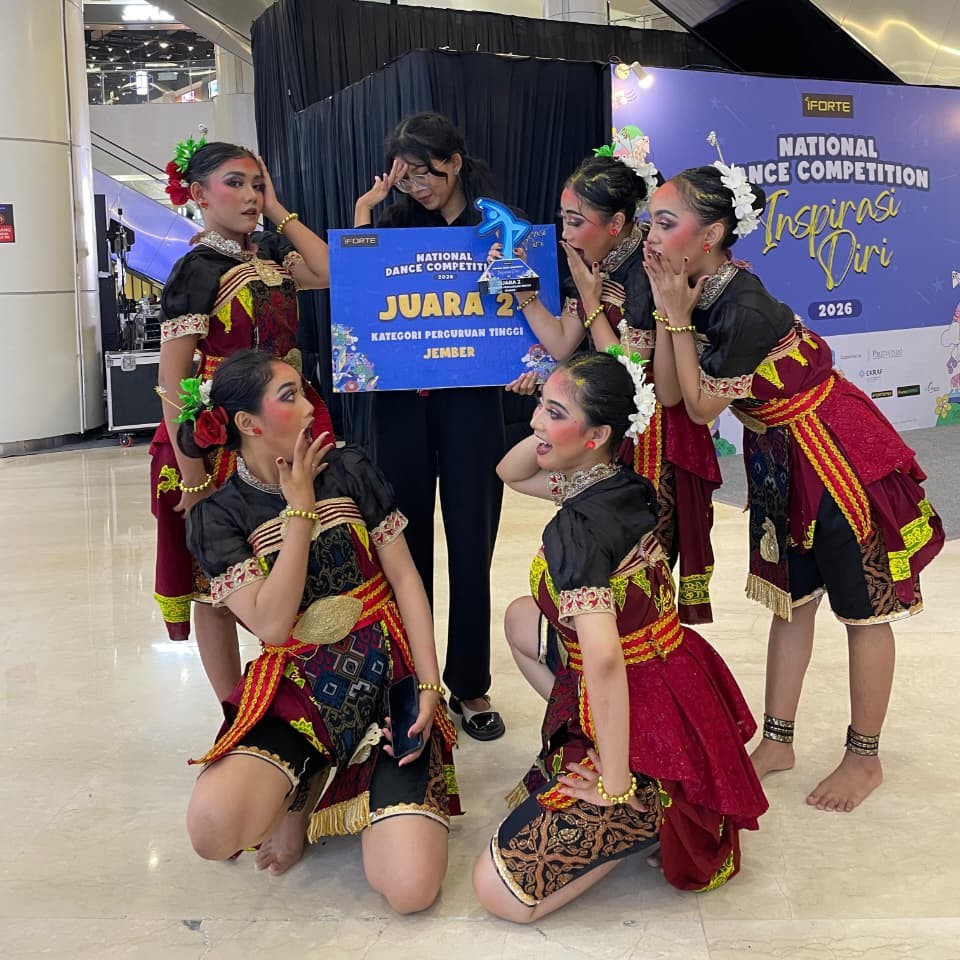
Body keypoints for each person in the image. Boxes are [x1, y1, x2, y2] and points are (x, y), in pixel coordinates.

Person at [643, 162, 945, 812]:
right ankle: (777, 741)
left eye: (665, 222)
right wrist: (671, 313)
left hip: (833, 457)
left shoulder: (744, 307)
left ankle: (864, 758)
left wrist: (676, 316)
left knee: (865, 610)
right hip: (779, 457)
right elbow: (668, 392)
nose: (651, 235)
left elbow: (698, 407)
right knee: (791, 600)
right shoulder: (689, 288)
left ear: (711, 234)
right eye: (650, 221)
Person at [473, 351, 767, 922]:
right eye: (540, 406)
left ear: (599, 434)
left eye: (553, 412)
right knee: (519, 618)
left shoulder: (577, 526)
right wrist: (550, 426)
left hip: (640, 703)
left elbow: (605, 661)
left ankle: (645, 802)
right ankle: (613, 759)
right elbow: (509, 472)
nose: (534, 421)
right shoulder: (620, 483)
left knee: (499, 893)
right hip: (673, 678)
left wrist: (612, 783)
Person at [181, 350, 459, 910]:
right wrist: (300, 512)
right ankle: (302, 790)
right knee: (211, 830)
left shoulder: (350, 467)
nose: (311, 407)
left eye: (304, 391)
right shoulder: (220, 516)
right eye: (290, 397)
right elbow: (272, 624)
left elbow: (406, 579)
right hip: (299, 685)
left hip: (387, 673)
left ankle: (347, 780)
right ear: (248, 423)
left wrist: (430, 683)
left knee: (410, 889)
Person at [500, 153, 720, 627]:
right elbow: (563, 341)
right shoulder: (589, 259)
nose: (565, 232)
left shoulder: (647, 270)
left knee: (639, 561)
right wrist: (523, 288)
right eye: (563, 218)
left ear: (616, 224)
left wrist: (592, 300)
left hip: (655, 432)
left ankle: (639, 654)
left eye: (576, 221)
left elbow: (630, 374)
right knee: (598, 550)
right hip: (609, 423)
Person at [151, 139, 333, 700]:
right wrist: (193, 475)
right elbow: (172, 382)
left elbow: (332, 271)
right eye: (235, 183)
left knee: (301, 556)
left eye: (257, 184)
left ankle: (299, 695)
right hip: (222, 443)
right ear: (198, 194)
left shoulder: (273, 252)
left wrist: (278, 210)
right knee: (219, 584)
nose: (250, 195)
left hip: (290, 429)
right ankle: (236, 712)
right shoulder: (196, 270)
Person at [353, 112, 509, 740]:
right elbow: (358, 298)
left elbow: (523, 304)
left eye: (428, 172)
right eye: (407, 176)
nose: (418, 186)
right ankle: (412, 685)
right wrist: (366, 210)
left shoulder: (496, 224)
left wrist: (528, 359)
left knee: (472, 544)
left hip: (471, 404)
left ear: (456, 161)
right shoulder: (391, 224)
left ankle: (470, 684)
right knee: (403, 547)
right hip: (400, 407)